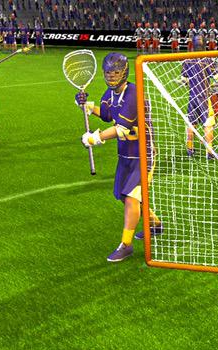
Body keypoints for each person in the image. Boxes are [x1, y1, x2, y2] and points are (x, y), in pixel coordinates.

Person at [76, 53, 163, 262]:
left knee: (131, 197)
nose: (111, 76)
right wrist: (88, 107)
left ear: (124, 72)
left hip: (143, 154)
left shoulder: (133, 93)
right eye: (108, 72)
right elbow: (107, 115)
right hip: (125, 153)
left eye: (115, 72)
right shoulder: (111, 93)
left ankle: (126, 244)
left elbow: (122, 128)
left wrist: (96, 138)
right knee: (124, 196)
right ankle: (155, 223)